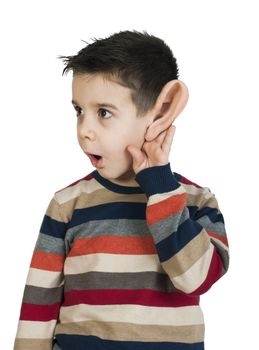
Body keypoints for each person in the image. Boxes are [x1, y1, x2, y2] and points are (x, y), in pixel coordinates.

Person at [14, 29, 229, 350]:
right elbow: (38, 305)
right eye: (78, 111)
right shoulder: (67, 204)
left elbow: (195, 279)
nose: (84, 130)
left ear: (161, 111)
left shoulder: (197, 201)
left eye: (103, 112)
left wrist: (160, 186)